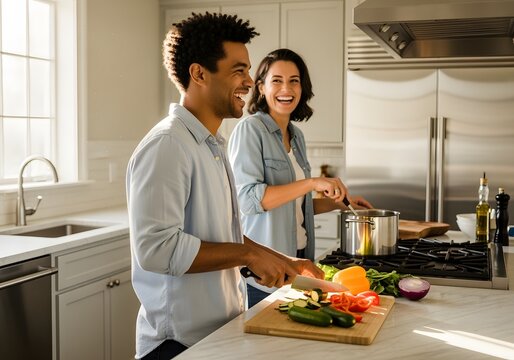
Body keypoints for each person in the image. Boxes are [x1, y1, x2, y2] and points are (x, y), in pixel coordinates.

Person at [126, 14, 325, 360]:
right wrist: (249, 255)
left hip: (219, 333)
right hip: (177, 344)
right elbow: (157, 249)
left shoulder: (212, 144)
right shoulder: (168, 145)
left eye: (247, 70)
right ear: (199, 74)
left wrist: (280, 259)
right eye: (239, 70)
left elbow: (220, 233)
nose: (250, 82)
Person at [228, 48, 373, 307]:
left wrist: (337, 203)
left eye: (294, 81)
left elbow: (295, 205)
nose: (287, 89)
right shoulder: (250, 130)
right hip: (265, 275)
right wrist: (312, 182)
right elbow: (248, 200)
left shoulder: (296, 136)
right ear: (261, 87)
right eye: (277, 81)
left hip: (298, 266)